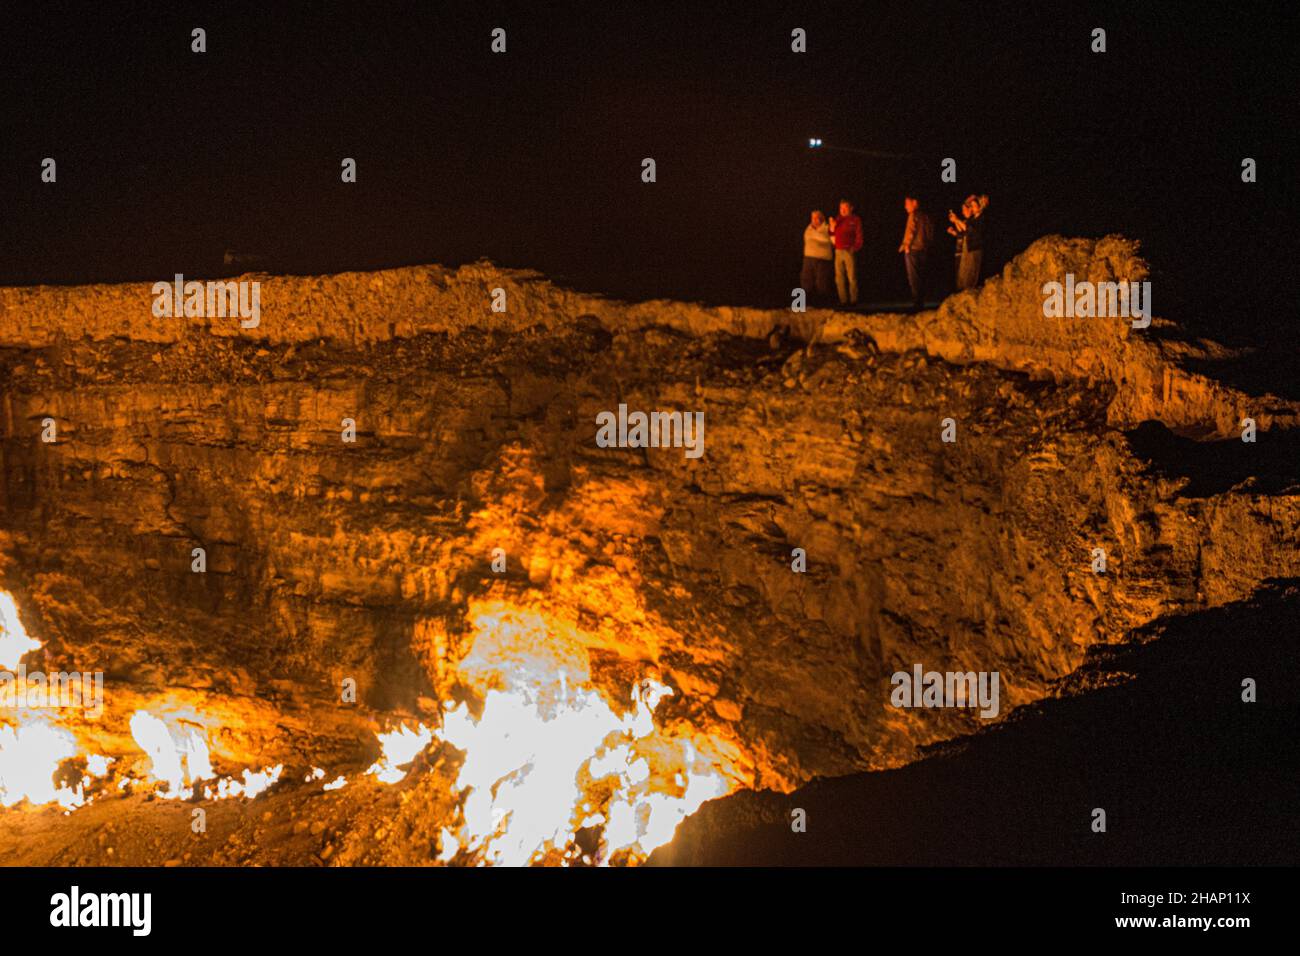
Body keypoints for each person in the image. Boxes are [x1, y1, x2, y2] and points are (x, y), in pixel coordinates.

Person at [897, 194, 934, 309]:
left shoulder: (913, 215)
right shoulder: (926, 216)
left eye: (907, 203)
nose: (905, 207)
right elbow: (930, 233)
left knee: (914, 277)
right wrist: (927, 245)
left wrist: (906, 245)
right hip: (923, 249)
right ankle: (921, 300)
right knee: (922, 275)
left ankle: (917, 301)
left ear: (915, 202)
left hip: (912, 249)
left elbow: (911, 230)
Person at [947, 194, 989, 291]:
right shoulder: (973, 219)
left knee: (971, 273)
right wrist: (955, 221)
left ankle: (969, 292)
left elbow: (969, 230)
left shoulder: (981, 219)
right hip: (969, 248)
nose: (972, 208)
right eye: (972, 206)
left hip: (975, 249)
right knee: (964, 272)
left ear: (980, 207)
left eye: (974, 206)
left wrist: (956, 220)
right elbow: (963, 230)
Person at [828, 199, 863, 306]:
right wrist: (832, 226)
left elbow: (859, 235)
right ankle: (843, 300)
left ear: (851, 208)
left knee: (851, 276)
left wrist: (855, 247)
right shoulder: (838, 219)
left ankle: (854, 300)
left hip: (849, 250)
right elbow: (831, 233)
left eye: (845, 208)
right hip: (838, 251)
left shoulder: (855, 219)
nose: (842, 210)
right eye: (841, 208)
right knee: (839, 277)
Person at [800, 210, 834, 304]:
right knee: (806, 280)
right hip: (808, 258)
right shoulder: (808, 229)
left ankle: (823, 303)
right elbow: (808, 237)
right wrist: (819, 237)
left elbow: (827, 240)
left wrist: (816, 236)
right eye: (813, 217)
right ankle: (805, 303)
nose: (815, 220)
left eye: (817, 217)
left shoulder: (827, 228)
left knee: (822, 282)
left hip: (823, 259)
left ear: (822, 218)